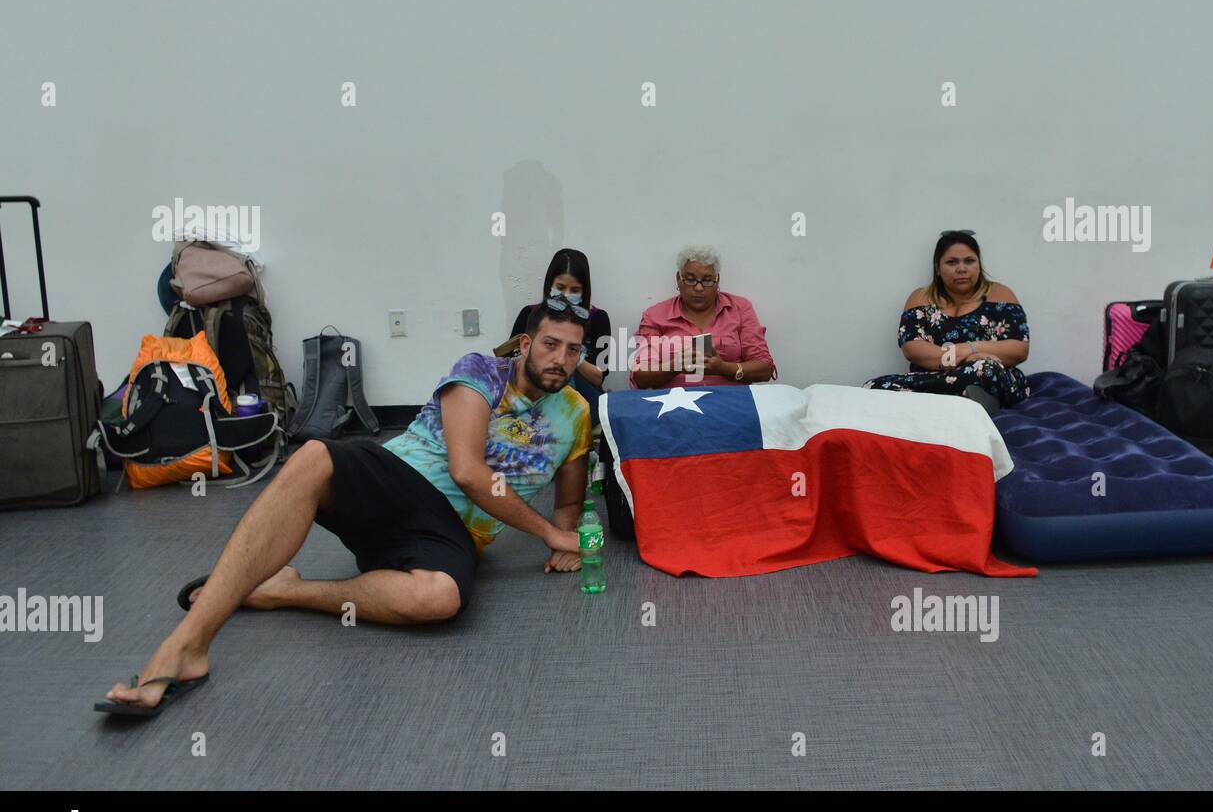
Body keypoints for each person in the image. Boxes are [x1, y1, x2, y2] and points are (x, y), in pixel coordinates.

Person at [96, 300, 592, 716]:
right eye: (550, 343)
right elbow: (466, 470)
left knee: (440, 599)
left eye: (573, 350)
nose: (561, 358)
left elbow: (569, 501)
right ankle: (186, 646)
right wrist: (547, 534)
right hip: (396, 481)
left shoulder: (576, 413)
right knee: (314, 457)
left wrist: (566, 537)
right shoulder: (482, 370)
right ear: (525, 343)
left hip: (448, 535)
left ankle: (288, 592)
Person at [865, 230, 1030, 413]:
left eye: (969, 261)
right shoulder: (921, 298)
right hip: (937, 377)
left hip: (987, 376)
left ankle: (971, 404)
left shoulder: (999, 294)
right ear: (937, 267)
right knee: (873, 386)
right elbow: (912, 349)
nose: (961, 268)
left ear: (978, 264)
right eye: (952, 262)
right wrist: (962, 359)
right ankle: (958, 400)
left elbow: (1019, 349)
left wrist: (969, 348)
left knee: (984, 368)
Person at [629, 245, 777, 389]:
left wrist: (724, 368)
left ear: (717, 280)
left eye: (707, 280)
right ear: (678, 279)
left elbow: (764, 369)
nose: (698, 288)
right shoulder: (655, 315)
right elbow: (641, 377)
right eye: (690, 279)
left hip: (731, 402)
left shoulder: (739, 308)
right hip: (673, 404)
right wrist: (674, 367)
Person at [510, 248, 611, 411]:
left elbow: (599, 377)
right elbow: (510, 362)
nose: (566, 295)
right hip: (531, 395)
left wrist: (573, 356)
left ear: (584, 291)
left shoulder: (598, 318)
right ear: (550, 285)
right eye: (560, 287)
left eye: (575, 290)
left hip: (581, 399)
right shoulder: (530, 314)